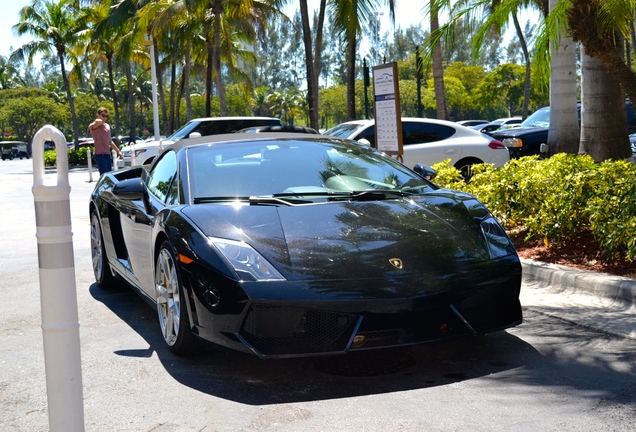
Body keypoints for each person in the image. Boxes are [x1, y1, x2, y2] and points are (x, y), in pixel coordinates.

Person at [89, 107, 123, 174]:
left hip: (107, 154)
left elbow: (110, 141)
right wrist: (100, 120)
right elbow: (98, 121)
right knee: (105, 175)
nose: (105, 118)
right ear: (98, 115)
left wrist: (118, 152)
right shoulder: (93, 125)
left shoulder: (107, 126)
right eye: (103, 115)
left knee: (109, 175)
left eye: (106, 116)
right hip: (99, 155)